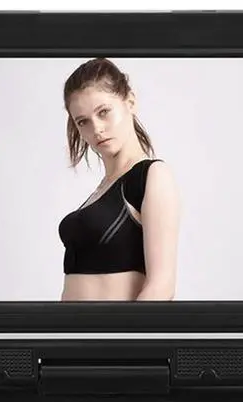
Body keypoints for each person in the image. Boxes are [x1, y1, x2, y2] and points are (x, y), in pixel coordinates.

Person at [58, 57, 180, 302]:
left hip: (113, 327)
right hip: (65, 326)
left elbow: (161, 287)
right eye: (83, 122)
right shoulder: (101, 190)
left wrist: (124, 328)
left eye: (103, 112)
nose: (96, 129)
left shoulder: (151, 176)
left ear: (130, 102)